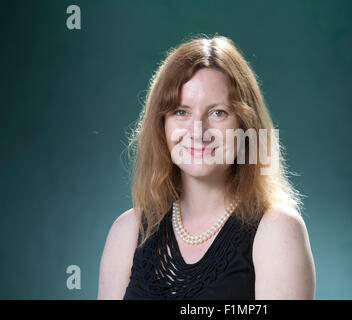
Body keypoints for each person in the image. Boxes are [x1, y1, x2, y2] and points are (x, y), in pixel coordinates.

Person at [97, 35, 316, 300]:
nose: (197, 131)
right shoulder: (127, 231)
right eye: (181, 111)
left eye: (218, 113)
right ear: (161, 125)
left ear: (245, 126)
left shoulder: (278, 230)